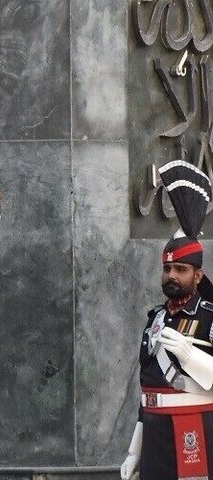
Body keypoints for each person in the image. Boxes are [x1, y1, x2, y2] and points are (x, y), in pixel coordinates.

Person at [130, 162, 213, 480]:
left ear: (198, 275)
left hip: (195, 429)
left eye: (181, 269)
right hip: (154, 436)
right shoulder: (156, 318)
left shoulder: (209, 314)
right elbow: (147, 390)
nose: (172, 275)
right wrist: (133, 451)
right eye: (167, 269)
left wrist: (191, 357)